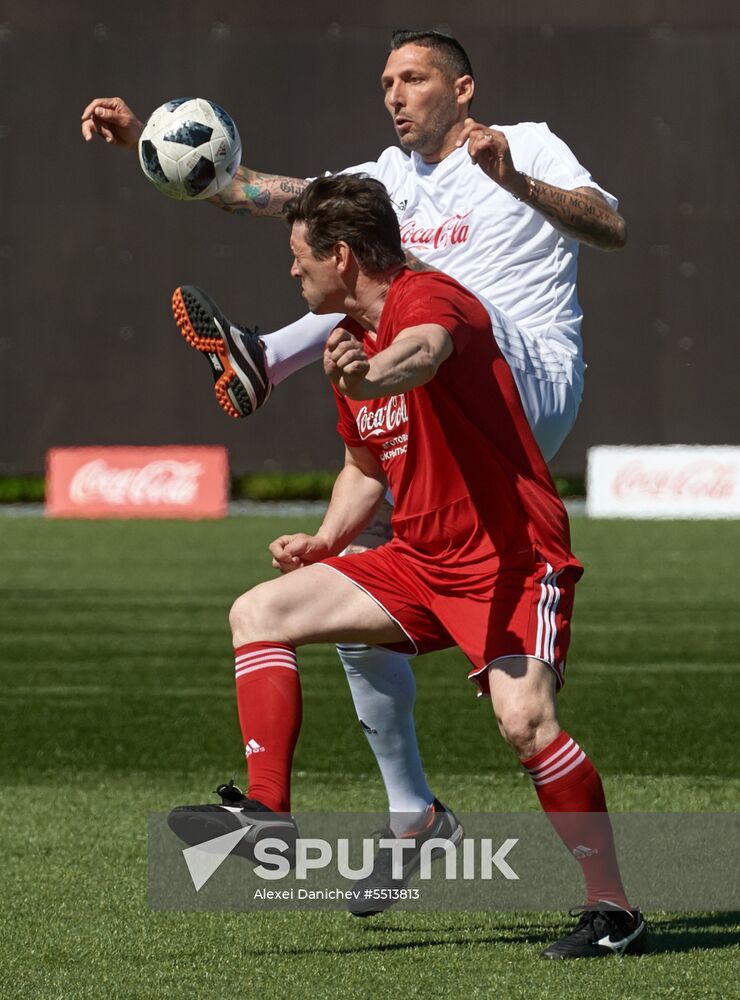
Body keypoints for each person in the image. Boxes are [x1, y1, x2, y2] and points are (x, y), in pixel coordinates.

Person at [81, 30, 630, 919]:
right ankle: (411, 812)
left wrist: (516, 183)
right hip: (425, 403)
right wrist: (154, 142)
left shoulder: (522, 143)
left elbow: (610, 227)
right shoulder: (383, 184)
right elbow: (267, 196)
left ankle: (265, 355)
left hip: (518, 370)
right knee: (341, 581)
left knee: (395, 292)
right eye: (385, 82)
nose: (394, 94)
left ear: (463, 88)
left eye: (412, 77)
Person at [167, 173, 645, 958]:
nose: (292, 271)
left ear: (342, 257)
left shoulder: (430, 299)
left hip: (510, 557)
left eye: (300, 256)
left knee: (525, 722)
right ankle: (267, 811)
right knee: (259, 612)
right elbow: (365, 466)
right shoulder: (344, 340)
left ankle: (614, 912)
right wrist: (325, 540)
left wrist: (370, 374)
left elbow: (420, 357)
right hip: (420, 559)